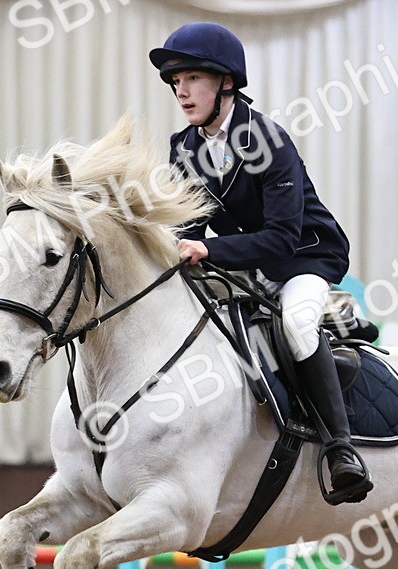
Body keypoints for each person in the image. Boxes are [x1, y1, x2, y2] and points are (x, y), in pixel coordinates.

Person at [150, 21, 372, 505]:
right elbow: (189, 225)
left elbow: (281, 237)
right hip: (246, 264)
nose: (181, 91)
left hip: (304, 256)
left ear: (225, 82)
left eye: (192, 79)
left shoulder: (268, 140)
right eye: (176, 82)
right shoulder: (183, 147)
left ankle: (341, 450)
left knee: (295, 325)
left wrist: (209, 251)